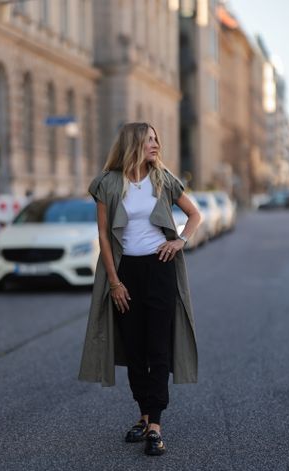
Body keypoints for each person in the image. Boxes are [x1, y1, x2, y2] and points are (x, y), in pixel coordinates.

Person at [78, 122, 201, 456]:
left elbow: (194, 215)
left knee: (158, 348)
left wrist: (179, 242)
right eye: (150, 139)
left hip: (160, 270)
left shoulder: (162, 179)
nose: (156, 144)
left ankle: (155, 427)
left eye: (157, 138)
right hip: (126, 273)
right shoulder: (108, 183)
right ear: (133, 143)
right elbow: (104, 235)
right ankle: (144, 416)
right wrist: (114, 282)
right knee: (135, 351)